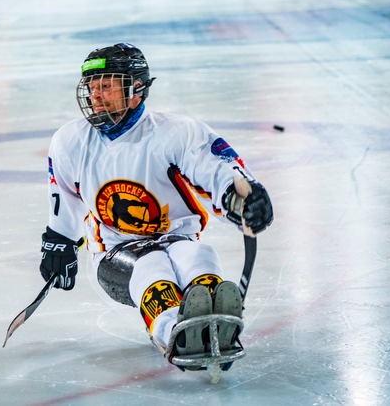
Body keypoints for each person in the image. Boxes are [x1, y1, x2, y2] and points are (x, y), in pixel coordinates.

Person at [38, 43, 273, 375]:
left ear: (136, 88)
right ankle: (172, 331)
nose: (95, 94)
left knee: (195, 256)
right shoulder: (69, 140)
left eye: (106, 85)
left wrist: (241, 198)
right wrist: (58, 240)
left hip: (178, 238)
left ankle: (212, 315)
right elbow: (64, 196)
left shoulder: (175, 132)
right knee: (153, 265)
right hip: (116, 253)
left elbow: (215, 168)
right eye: (91, 86)